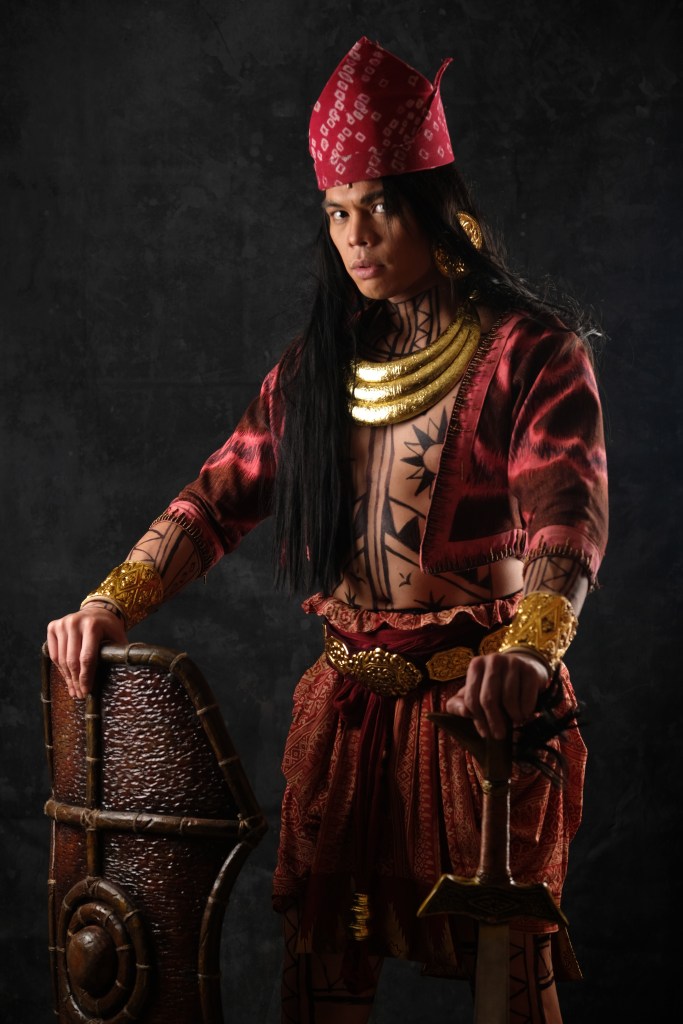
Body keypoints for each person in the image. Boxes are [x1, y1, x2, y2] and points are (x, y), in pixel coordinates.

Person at [47, 36, 608, 1024]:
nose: (355, 235)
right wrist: (110, 601)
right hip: (348, 723)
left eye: (378, 206)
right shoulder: (318, 366)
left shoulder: (531, 352)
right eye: (338, 212)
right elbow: (218, 494)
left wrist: (528, 650)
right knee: (324, 968)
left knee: (510, 981)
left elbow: (564, 513)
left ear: (434, 202)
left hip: (478, 722)